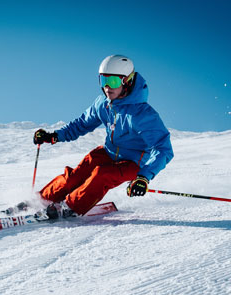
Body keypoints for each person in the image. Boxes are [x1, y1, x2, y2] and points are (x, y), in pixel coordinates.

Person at [33, 54, 173, 219]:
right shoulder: (103, 104)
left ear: (126, 81)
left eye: (112, 81)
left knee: (102, 174)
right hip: (108, 152)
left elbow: (162, 149)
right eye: (103, 80)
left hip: (134, 163)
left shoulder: (142, 114)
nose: (107, 87)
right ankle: (41, 200)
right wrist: (54, 136)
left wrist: (144, 177)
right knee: (78, 174)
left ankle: (69, 208)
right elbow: (81, 124)